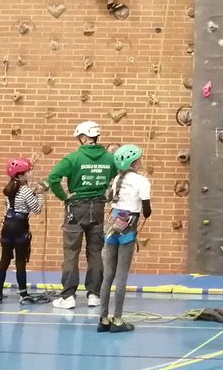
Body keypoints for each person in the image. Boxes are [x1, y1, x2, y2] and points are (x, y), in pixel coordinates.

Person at [46, 120, 115, 311]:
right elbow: (119, 177)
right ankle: (94, 294)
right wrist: (109, 193)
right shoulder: (110, 159)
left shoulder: (73, 159)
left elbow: (53, 178)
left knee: (71, 252)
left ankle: (68, 296)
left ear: (84, 137)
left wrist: (64, 196)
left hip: (76, 209)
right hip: (98, 208)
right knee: (95, 252)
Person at [99, 144, 151, 334]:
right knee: (121, 275)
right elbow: (147, 211)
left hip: (112, 224)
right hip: (128, 226)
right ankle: (118, 320)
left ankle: (103, 319)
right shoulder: (142, 181)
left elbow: (112, 200)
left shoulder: (116, 180)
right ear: (134, 162)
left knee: (108, 275)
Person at [0, 157, 42, 304]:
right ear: (19, 175)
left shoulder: (9, 189)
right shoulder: (25, 190)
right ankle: (23, 294)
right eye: (26, 173)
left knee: (4, 260)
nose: (29, 175)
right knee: (20, 261)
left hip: (7, 226)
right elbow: (37, 209)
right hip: (20, 226)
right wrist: (39, 194)